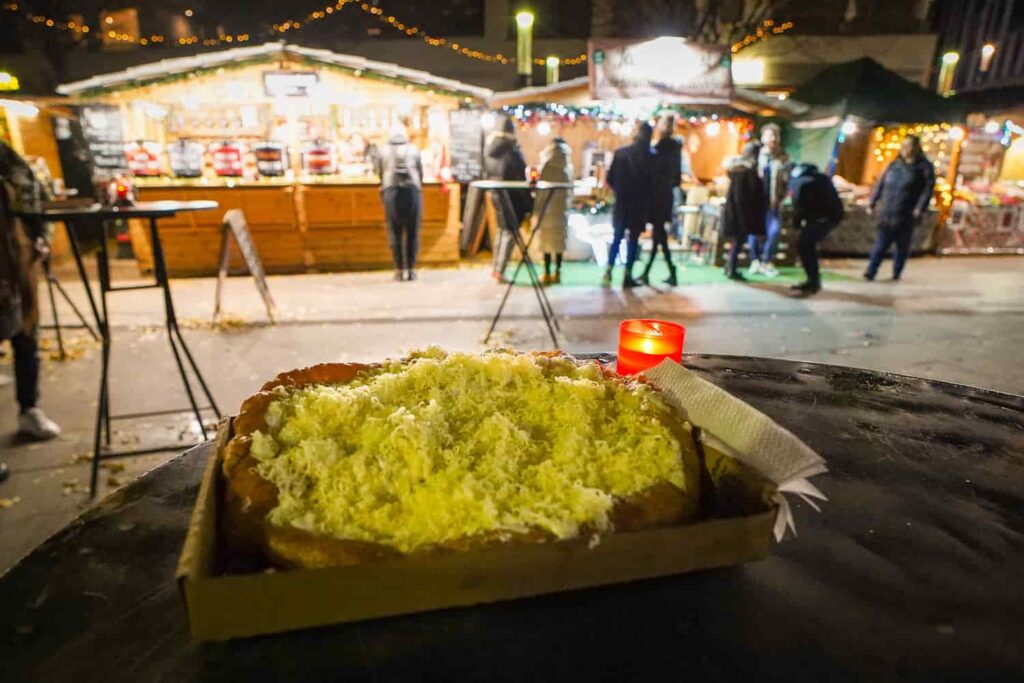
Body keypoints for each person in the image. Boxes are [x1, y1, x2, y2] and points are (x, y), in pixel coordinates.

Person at [0, 141, 60, 441]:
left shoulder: (5, 157)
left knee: (25, 334)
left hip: (14, 256)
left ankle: (29, 408)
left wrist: (41, 237)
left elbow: (35, 196)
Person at [864, 135, 935, 281]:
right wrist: (873, 202)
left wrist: (919, 208)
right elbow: (881, 184)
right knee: (881, 244)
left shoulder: (924, 168)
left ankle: (897, 271)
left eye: (908, 146)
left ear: (916, 147)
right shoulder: (894, 165)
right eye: (903, 146)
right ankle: (871, 271)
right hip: (888, 210)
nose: (905, 149)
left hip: (907, 213)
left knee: (902, 246)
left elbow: (927, 190)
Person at [604, 122, 653, 289]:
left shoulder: (621, 153)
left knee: (617, 237)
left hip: (622, 202)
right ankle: (627, 274)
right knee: (633, 240)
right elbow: (653, 184)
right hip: (639, 204)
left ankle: (608, 271)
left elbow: (610, 179)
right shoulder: (650, 156)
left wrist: (619, 191)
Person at [484, 115, 532, 283]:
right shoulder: (511, 150)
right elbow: (519, 176)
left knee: (501, 231)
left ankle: (496, 268)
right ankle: (500, 271)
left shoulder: (491, 149)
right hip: (512, 197)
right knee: (510, 233)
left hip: (497, 195)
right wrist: (528, 203)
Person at [373, 123, 423, 281]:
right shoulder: (414, 149)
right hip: (412, 190)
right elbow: (420, 172)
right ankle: (412, 269)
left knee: (395, 231)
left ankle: (399, 270)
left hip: (391, 190)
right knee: (413, 231)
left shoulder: (382, 150)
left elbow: (378, 172)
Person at [788, 163, 845, 295]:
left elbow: (800, 206)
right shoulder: (823, 179)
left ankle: (813, 281)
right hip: (828, 218)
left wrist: (796, 222)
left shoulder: (802, 183)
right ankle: (813, 280)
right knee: (808, 247)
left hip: (818, 219)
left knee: (805, 247)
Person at [640, 115, 683, 287]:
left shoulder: (661, 148)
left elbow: (660, 175)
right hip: (663, 196)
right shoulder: (672, 147)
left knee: (659, 234)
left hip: (658, 196)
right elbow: (676, 177)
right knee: (660, 235)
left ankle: (654, 271)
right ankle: (666, 271)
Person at [748, 123, 789, 277]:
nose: (772, 138)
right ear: (763, 137)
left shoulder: (783, 157)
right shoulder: (756, 155)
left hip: (774, 201)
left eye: (775, 135)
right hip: (757, 201)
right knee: (754, 232)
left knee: (774, 231)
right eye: (769, 135)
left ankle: (767, 260)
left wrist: (783, 196)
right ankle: (755, 260)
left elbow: (786, 180)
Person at [721, 142, 766, 281]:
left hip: (734, 211)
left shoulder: (737, 170)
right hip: (741, 213)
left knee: (737, 241)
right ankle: (732, 269)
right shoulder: (747, 172)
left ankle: (729, 266)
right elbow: (746, 196)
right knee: (739, 240)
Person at [533, 137, 572, 285]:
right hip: (561, 209)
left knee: (547, 242)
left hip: (547, 209)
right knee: (558, 242)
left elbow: (540, 190)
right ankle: (558, 272)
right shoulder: (567, 166)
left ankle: (547, 273)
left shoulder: (546, 165)